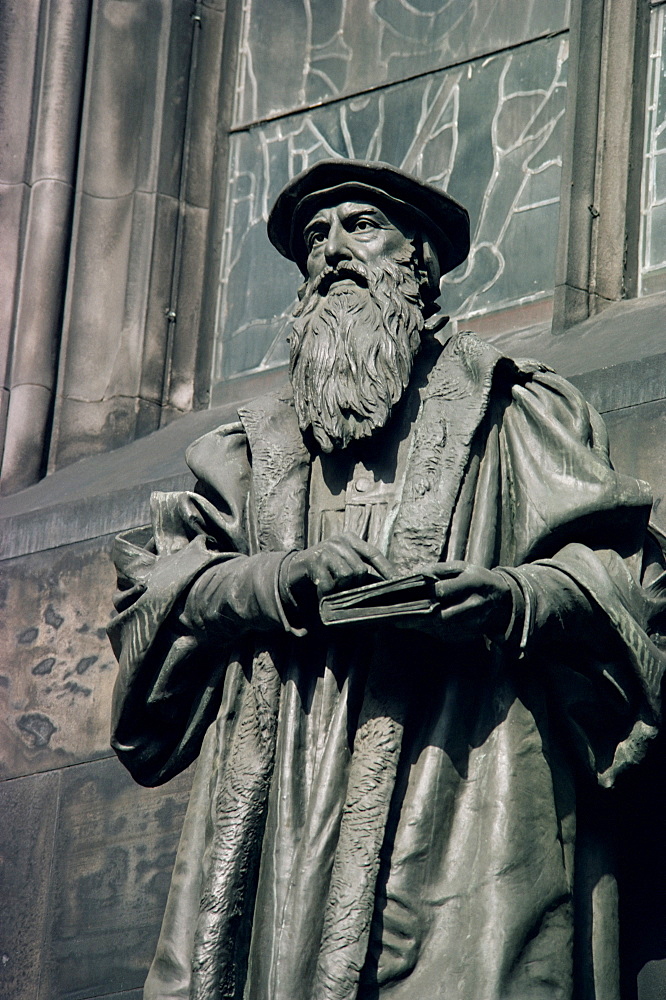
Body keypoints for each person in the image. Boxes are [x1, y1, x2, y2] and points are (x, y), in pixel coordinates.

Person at [109, 159, 666, 1000]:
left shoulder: (512, 412)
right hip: (286, 805)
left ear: (421, 261)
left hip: (466, 774)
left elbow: (630, 580)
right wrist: (281, 581)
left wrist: (509, 600)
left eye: (361, 226)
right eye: (315, 237)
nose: (333, 249)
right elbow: (159, 590)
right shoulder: (250, 449)